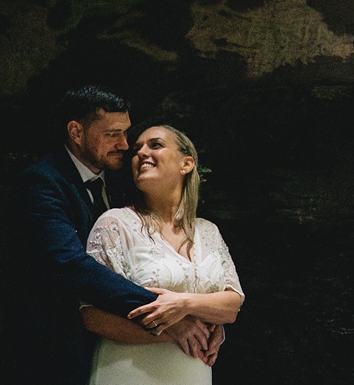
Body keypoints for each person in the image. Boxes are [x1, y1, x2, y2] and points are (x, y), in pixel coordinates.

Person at [4, 87, 217, 385]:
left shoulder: (123, 181)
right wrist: (166, 315)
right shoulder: (44, 182)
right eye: (113, 134)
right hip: (56, 345)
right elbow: (68, 264)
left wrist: (205, 317)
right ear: (76, 132)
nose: (125, 144)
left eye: (126, 133)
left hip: (132, 346)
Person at [83, 124, 243, 384]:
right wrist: (176, 330)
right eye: (137, 150)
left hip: (192, 373)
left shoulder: (208, 231)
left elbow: (232, 305)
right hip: (129, 370)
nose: (141, 153)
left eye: (155, 145)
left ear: (186, 164)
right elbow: (93, 316)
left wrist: (184, 305)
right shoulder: (115, 224)